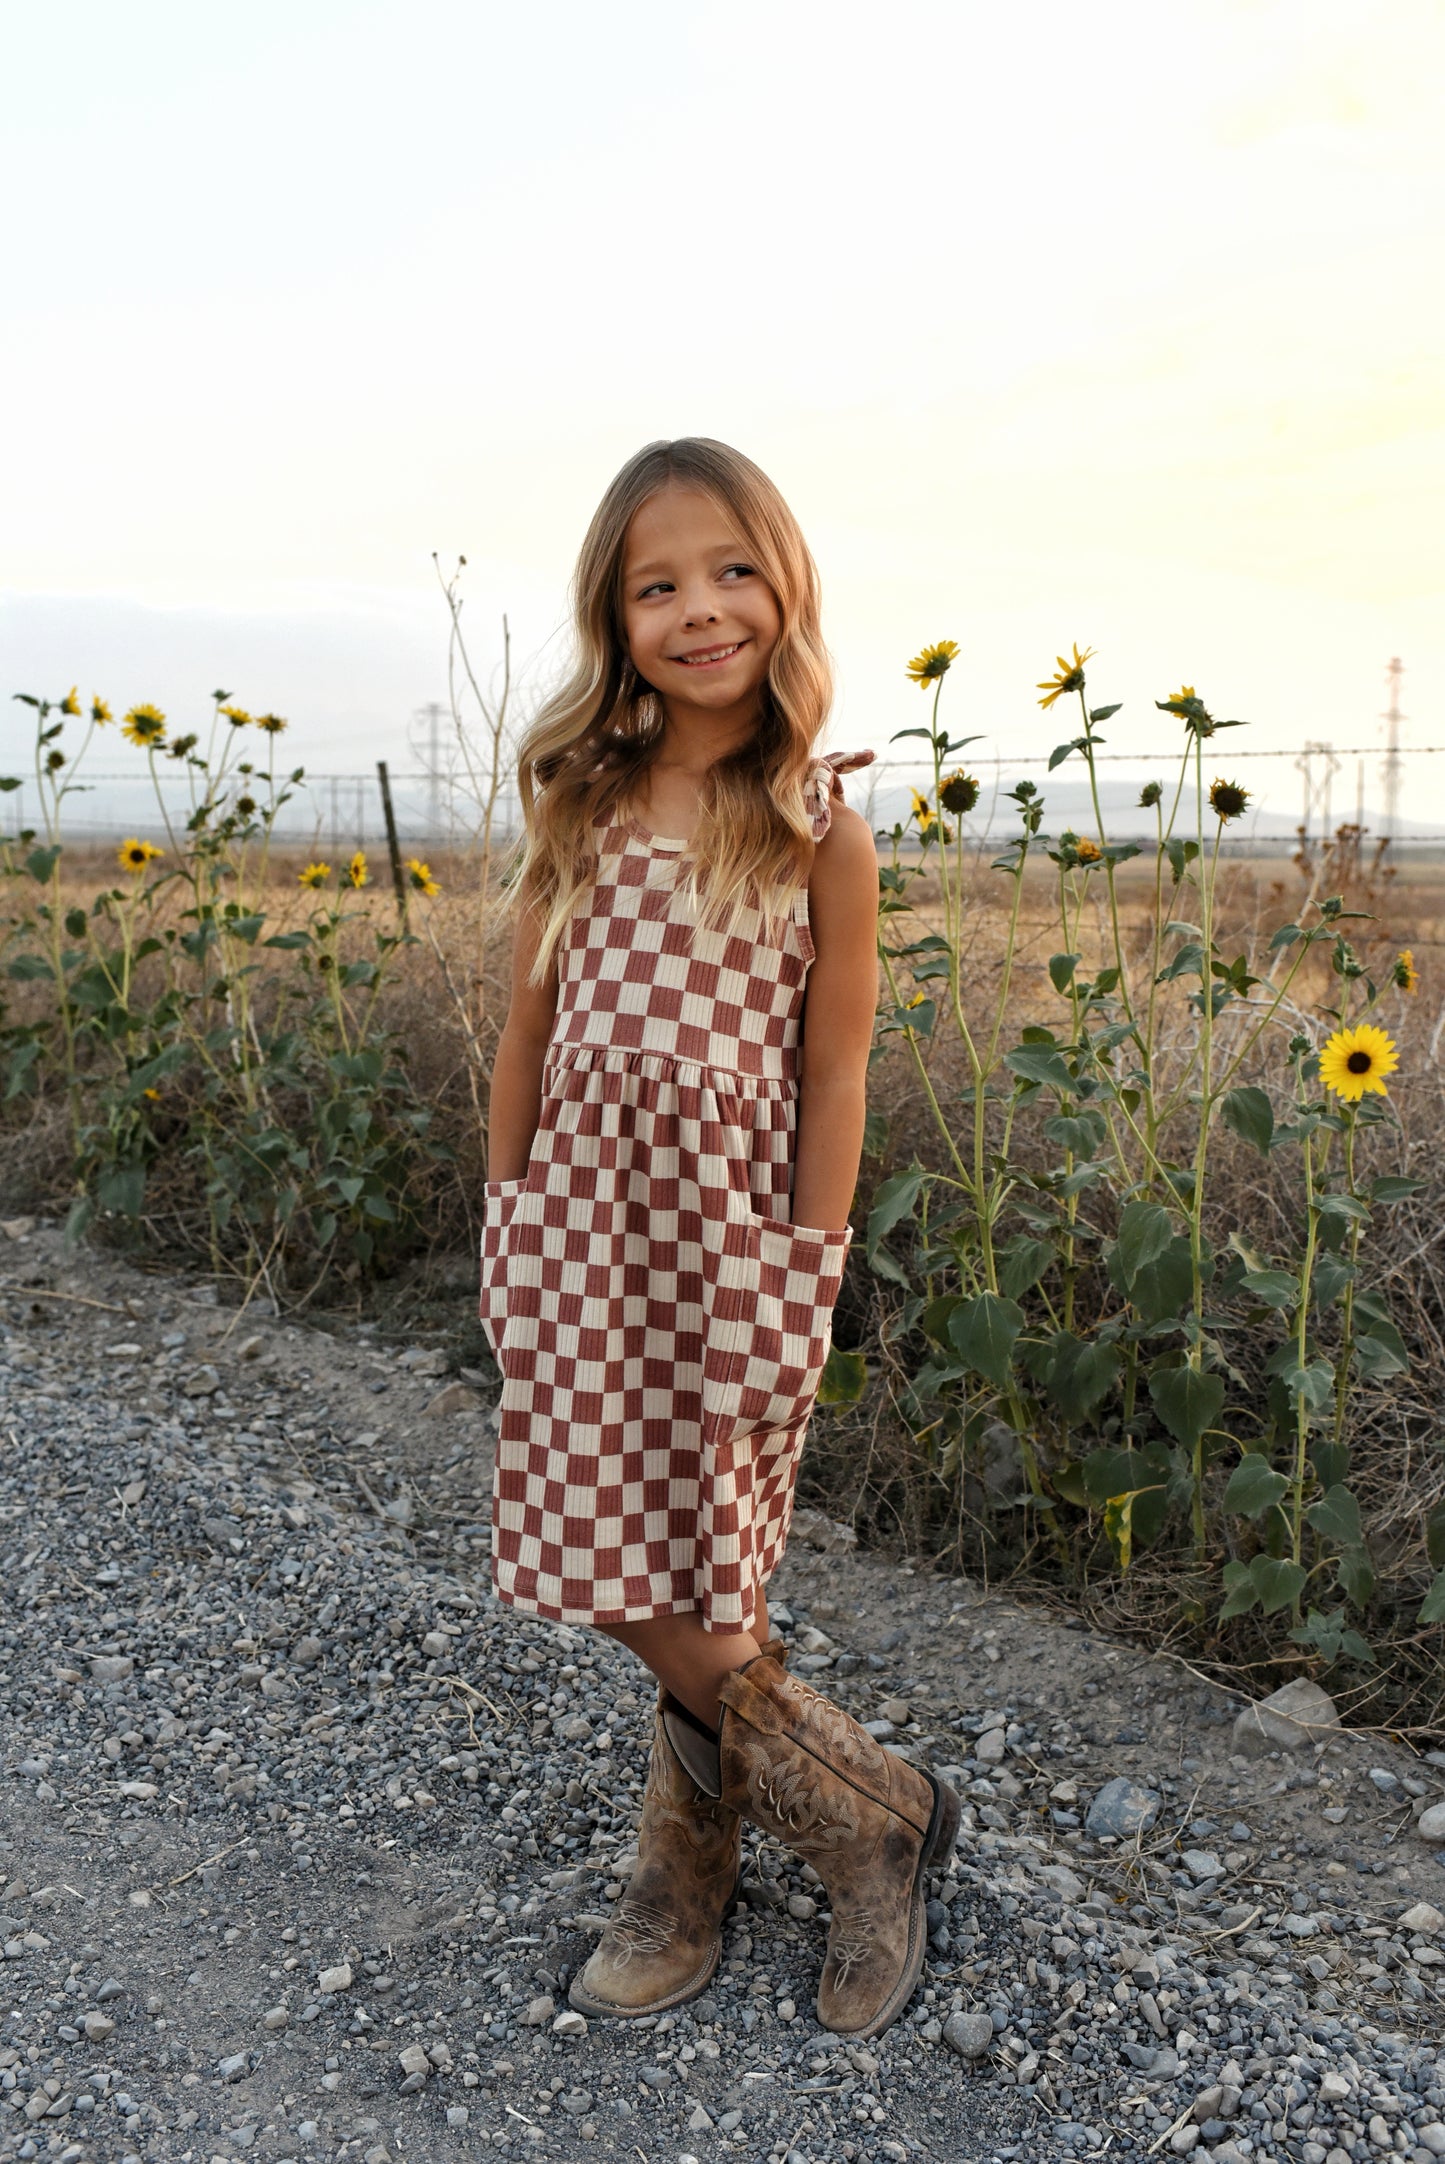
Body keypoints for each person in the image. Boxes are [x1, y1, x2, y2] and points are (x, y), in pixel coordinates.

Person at [479, 437, 960, 2041]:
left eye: (729, 571)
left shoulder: (817, 823)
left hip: (730, 1237)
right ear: (615, 619)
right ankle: (866, 1810)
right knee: (583, 1538)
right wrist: (507, 1211)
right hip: (576, 1222)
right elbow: (525, 1031)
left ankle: (691, 1871)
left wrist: (802, 1271)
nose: (699, 609)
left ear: (785, 584)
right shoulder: (583, 794)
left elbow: (832, 1069)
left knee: (708, 1548)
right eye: (657, 585)